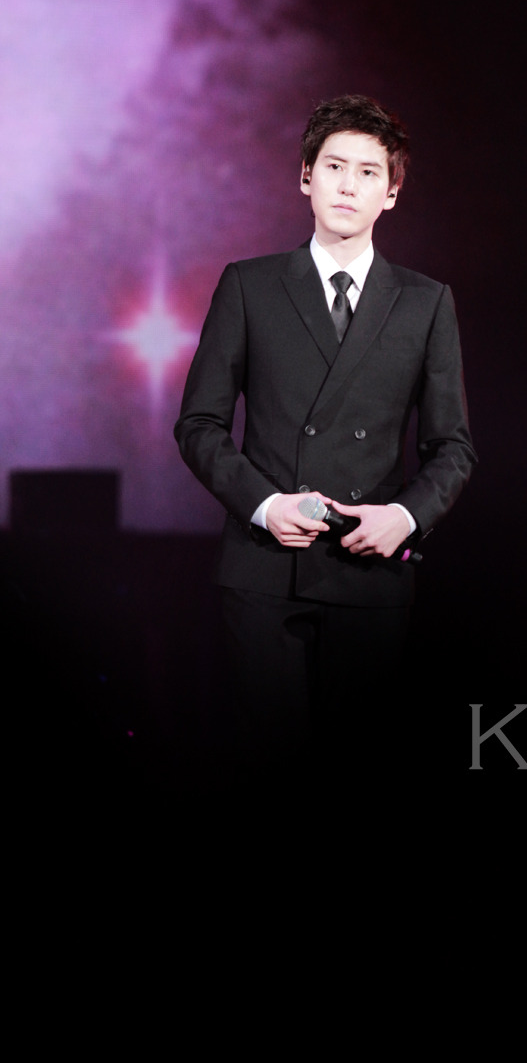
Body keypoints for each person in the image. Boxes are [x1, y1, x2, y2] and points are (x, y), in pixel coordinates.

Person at [175, 94, 476, 781]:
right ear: (306, 176)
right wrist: (263, 505)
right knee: (269, 773)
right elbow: (199, 423)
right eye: (334, 166)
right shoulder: (249, 286)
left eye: (369, 172)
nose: (349, 184)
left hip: (370, 575)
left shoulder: (426, 302)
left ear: (392, 192)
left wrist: (404, 517)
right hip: (264, 571)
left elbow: (452, 446)